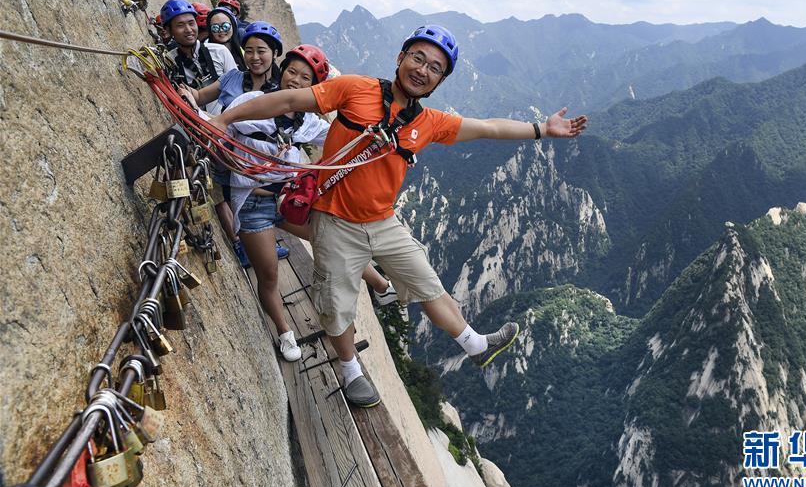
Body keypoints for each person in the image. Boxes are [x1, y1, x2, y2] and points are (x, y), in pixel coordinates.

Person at [210, 24, 587, 407]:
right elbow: (286, 102)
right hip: (336, 220)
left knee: (427, 282)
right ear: (400, 58)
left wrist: (541, 129)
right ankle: (350, 370)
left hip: (383, 222)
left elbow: (487, 127)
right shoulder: (355, 89)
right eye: (418, 58)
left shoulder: (428, 123)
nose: (423, 70)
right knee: (336, 304)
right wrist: (223, 120)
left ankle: (474, 344)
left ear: (440, 80)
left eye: (435, 67)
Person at [202, 43, 397, 361]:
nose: (294, 80)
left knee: (333, 241)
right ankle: (284, 333)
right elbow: (221, 130)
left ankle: (380, 284)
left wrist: (373, 135)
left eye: (305, 77)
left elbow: (344, 138)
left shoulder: (309, 123)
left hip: (288, 201)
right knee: (269, 275)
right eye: (291, 71)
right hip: (253, 202)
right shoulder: (251, 102)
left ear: (313, 87)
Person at [180, 21, 288, 266]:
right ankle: (241, 244)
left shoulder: (282, 91)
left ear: (274, 53)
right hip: (222, 153)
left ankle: (260, 244)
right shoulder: (233, 78)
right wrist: (188, 94)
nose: (254, 57)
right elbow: (201, 96)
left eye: (261, 51)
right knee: (221, 195)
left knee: (255, 205)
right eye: (249, 51)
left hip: (255, 163)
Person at [160, 0, 237, 108]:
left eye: (191, 23)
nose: (188, 29)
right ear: (168, 30)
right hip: (195, 122)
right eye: (180, 25)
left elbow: (236, 90)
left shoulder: (220, 52)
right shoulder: (169, 61)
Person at [205, 6, 246, 71]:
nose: (221, 30)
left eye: (225, 26)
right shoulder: (205, 54)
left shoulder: (243, 51)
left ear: (233, 26)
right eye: (215, 27)